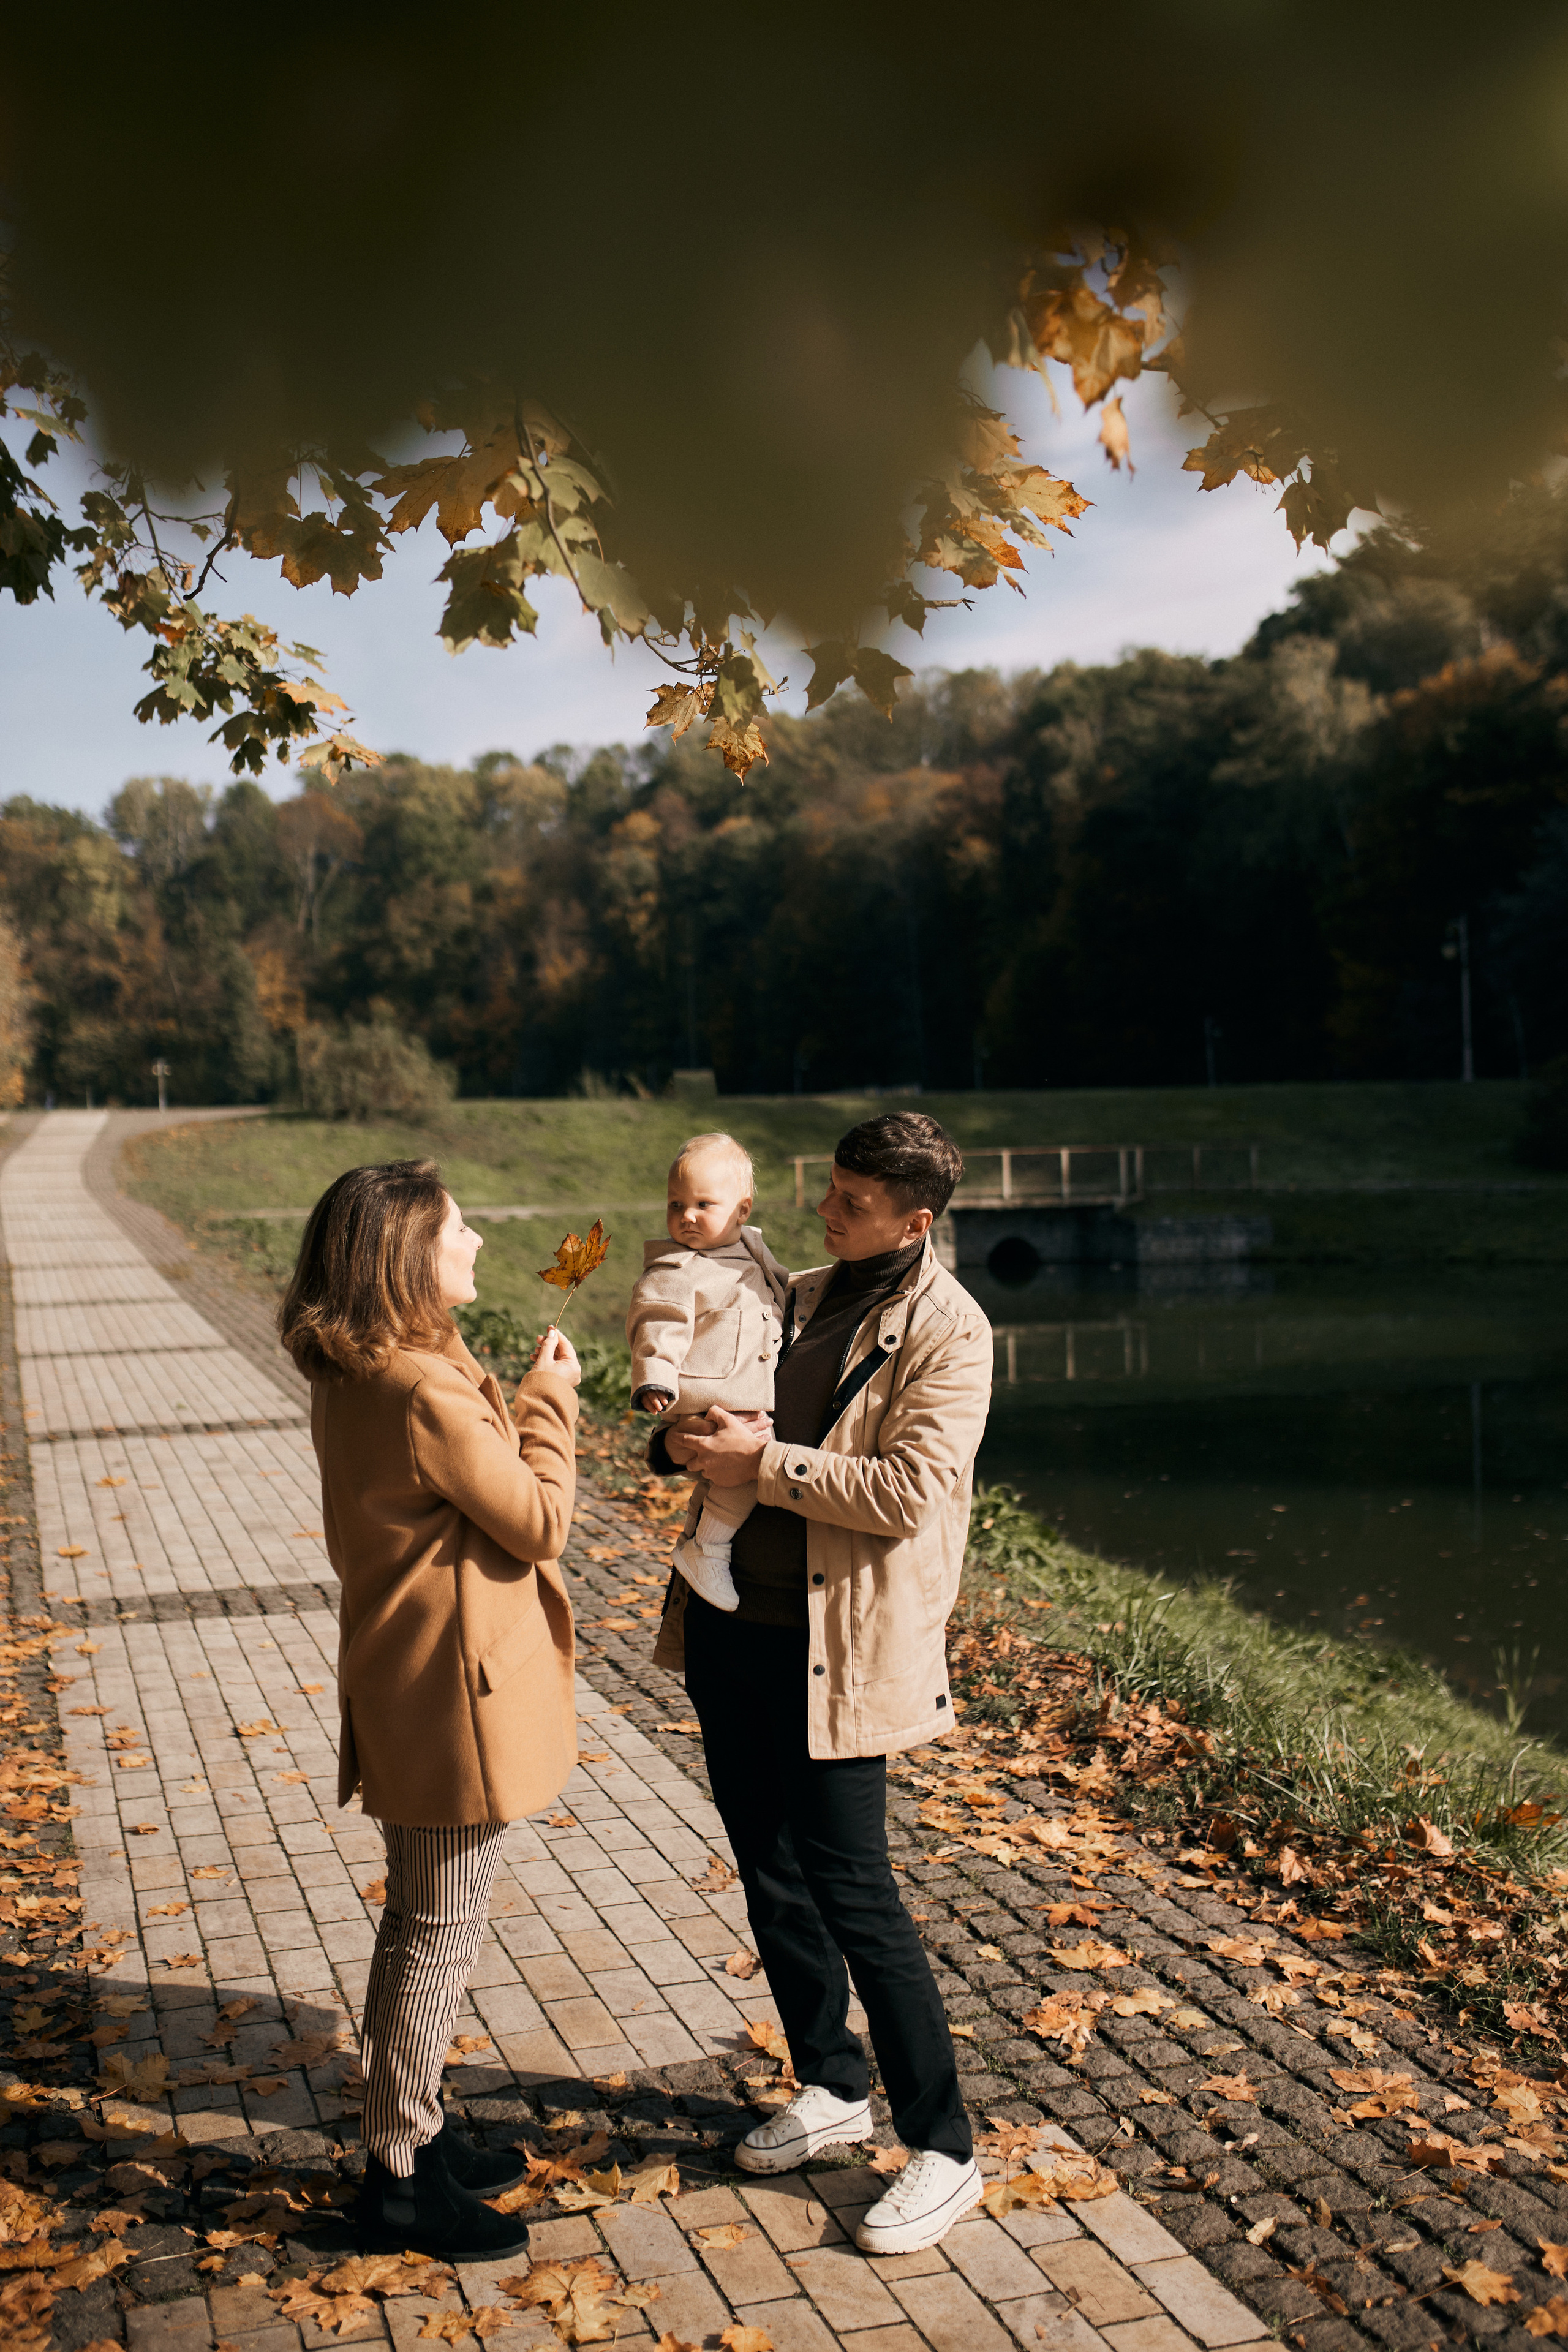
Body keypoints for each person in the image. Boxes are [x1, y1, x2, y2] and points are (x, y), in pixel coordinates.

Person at [650, 1110, 993, 2256]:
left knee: (858, 1893)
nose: (826, 1211)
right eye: (831, 1189)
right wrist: (675, 1442)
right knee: (771, 1874)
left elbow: (906, 1493)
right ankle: (833, 2085)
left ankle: (945, 2147)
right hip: (730, 1627)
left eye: (854, 1203)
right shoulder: (789, 1292)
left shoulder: (952, 1332)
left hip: (837, 1650)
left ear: (915, 1220)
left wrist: (763, 1465)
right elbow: (699, 1397)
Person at [279, 1158, 581, 2260]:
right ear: (408, 1255)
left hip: (409, 1677)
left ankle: (416, 2132)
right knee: (435, 1937)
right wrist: (549, 1401)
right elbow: (540, 1521)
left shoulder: (363, 1366)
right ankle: (401, 2174)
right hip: (455, 1700)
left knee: (418, 1924)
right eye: (459, 1229)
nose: (479, 1242)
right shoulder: (421, 1387)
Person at [626, 1132, 788, 1612]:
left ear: (742, 1211)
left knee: (731, 1473)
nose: (687, 1216)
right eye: (676, 1205)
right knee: (751, 1463)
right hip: (712, 1394)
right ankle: (708, 1547)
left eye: (703, 1204)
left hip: (736, 1386)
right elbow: (658, 1323)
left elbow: (780, 1291)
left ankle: (702, 1538)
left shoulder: (749, 1249)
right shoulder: (676, 1269)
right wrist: (655, 1377)